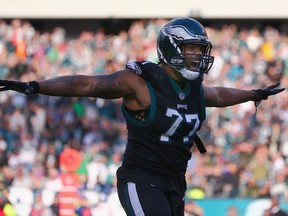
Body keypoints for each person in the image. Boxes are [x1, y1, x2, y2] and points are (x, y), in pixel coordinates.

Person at [0, 17, 285, 216]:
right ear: (172, 48)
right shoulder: (140, 83)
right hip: (141, 179)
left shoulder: (195, 89)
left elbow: (220, 95)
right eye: (192, 48)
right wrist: (35, 86)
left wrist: (253, 94)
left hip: (175, 181)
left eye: (201, 49)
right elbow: (86, 83)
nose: (198, 55)